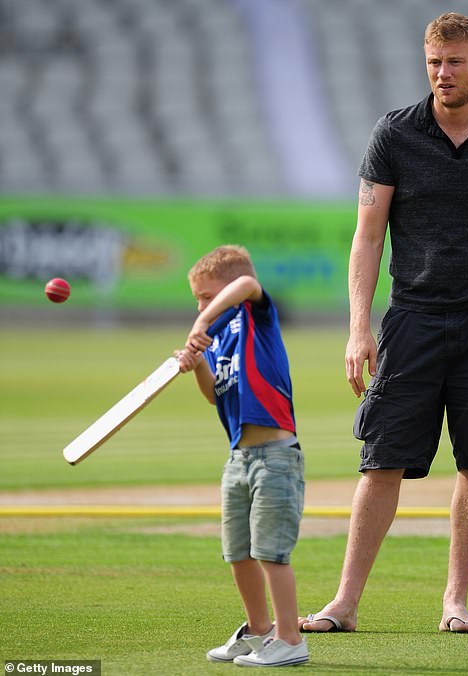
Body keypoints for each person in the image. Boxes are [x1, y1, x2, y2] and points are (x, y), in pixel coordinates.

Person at [300, 12, 468, 635]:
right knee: (381, 459)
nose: (442, 74)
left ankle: (455, 602)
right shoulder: (394, 134)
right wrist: (358, 327)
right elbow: (366, 240)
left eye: (454, 62)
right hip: (412, 317)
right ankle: (344, 603)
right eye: (433, 63)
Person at [177, 245, 309, 666]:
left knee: (271, 552)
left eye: (206, 296)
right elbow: (215, 395)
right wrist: (197, 362)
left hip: (275, 458)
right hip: (238, 458)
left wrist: (201, 319)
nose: (201, 305)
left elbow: (248, 285)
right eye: (198, 300)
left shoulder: (254, 314)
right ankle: (258, 630)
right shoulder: (216, 339)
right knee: (238, 552)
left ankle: (290, 639)